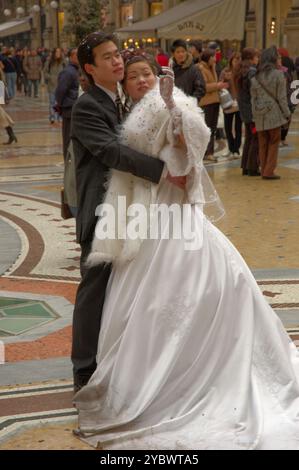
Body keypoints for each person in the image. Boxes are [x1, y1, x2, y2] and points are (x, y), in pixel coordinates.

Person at [74, 51, 299, 451]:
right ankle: (135, 372)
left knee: (197, 284)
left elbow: (191, 147)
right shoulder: (122, 109)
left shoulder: (175, 102)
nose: (142, 80)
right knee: (138, 294)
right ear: (125, 83)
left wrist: (173, 110)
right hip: (144, 212)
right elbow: (121, 154)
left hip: (174, 211)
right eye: (135, 76)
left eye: (147, 74)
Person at [70, 32, 185, 393]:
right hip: (102, 209)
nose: (117, 61)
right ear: (89, 68)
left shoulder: (120, 99)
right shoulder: (87, 105)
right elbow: (109, 151)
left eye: (117, 54)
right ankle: (83, 372)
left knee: (124, 288)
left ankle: (118, 361)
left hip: (129, 208)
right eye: (107, 58)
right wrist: (162, 170)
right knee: (95, 288)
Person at [251, 46, 290, 180]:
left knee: (263, 143)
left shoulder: (255, 75)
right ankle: (269, 171)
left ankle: (263, 170)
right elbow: (282, 98)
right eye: (278, 57)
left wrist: (255, 115)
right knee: (274, 141)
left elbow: (253, 99)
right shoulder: (279, 75)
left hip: (259, 114)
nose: (280, 59)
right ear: (273, 59)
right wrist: (287, 114)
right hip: (274, 114)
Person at [198, 48, 229, 162]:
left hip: (214, 101)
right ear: (208, 58)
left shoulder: (212, 68)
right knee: (207, 129)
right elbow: (204, 87)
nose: (215, 59)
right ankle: (206, 152)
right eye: (213, 57)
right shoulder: (201, 68)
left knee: (212, 129)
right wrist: (218, 85)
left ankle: (210, 152)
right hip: (206, 102)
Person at [235, 47, 260, 176]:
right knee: (255, 138)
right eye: (256, 56)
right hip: (252, 110)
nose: (258, 59)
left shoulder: (240, 70)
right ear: (251, 58)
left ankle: (245, 166)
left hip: (244, 110)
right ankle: (252, 167)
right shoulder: (252, 72)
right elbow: (255, 92)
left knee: (249, 138)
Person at [55, 48, 79, 160]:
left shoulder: (77, 70)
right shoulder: (68, 72)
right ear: (71, 57)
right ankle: (68, 161)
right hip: (70, 108)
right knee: (68, 138)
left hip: (75, 108)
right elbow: (61, 90)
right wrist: (60, 104)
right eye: (76, 55)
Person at [220, 52, 242, 158]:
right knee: (228, 127)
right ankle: (230, 148)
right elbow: (220, 85)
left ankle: (236, 149)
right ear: (231, 61)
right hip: (228, 102)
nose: (237, 62)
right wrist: (225, 80)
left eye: (238, 60)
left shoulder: (242, 72)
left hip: (240, 102)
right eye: (235, 60)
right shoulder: (225, 71)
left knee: (238, 127)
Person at [43, 47, 66, 124]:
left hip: (61, 85)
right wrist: (51, 78)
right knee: (52, 102)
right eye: (56, 52)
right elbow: (45, 72)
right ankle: (52, 117)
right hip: (52, 86)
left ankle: (59, 117)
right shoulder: (49, 62)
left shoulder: (64, 62)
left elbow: (67, 71)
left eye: (59, 52)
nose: (58, 54)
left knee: (59, 102)